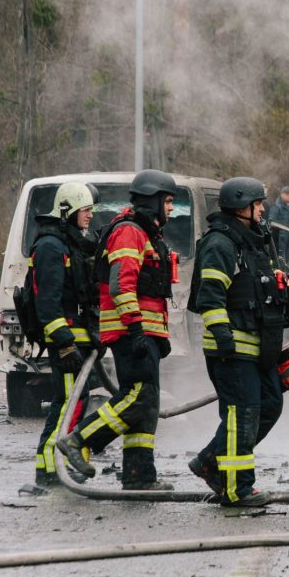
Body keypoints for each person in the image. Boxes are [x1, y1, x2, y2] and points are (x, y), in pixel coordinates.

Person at [58, 169, 178, 491]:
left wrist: (157, 335)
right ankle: (79, 440)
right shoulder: (129, 232)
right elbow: (121, 286)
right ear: (152, 201)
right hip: (130, 333)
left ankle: (140, 476)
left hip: (142, 332)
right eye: (167, 201)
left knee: (147, 404)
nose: (170, 209)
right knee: (138, 397)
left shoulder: (146, 233)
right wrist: (137, 330)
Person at [186, 177, 289, 507]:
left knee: (270, 405)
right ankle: (237, 487)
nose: (263, 210)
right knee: (243, 413)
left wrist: (282, 358)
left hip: (258, 350)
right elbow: (210, 297)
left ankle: (210, 460)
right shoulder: (220, 244)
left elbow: (268, 304)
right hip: (232, 350)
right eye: (258, 204)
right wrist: (223, 338)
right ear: (241, 207)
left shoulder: (255, 245)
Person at [31, 181, 99, 488]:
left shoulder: (69, 243)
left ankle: (51, 466)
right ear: (67, 211)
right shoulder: (50, 246)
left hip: (78, 339)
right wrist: (65, 344)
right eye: (85, 210)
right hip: (66, 342)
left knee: (73, 402)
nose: (90, 216)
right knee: (68, 403)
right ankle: (49, 469)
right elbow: (48, 303)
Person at [267, 185, 289, 267]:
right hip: (281, 238)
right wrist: (284, 229)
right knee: (280, 260)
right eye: (287, 194)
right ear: (282, 194)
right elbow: (271, 222)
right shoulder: (276, 207)